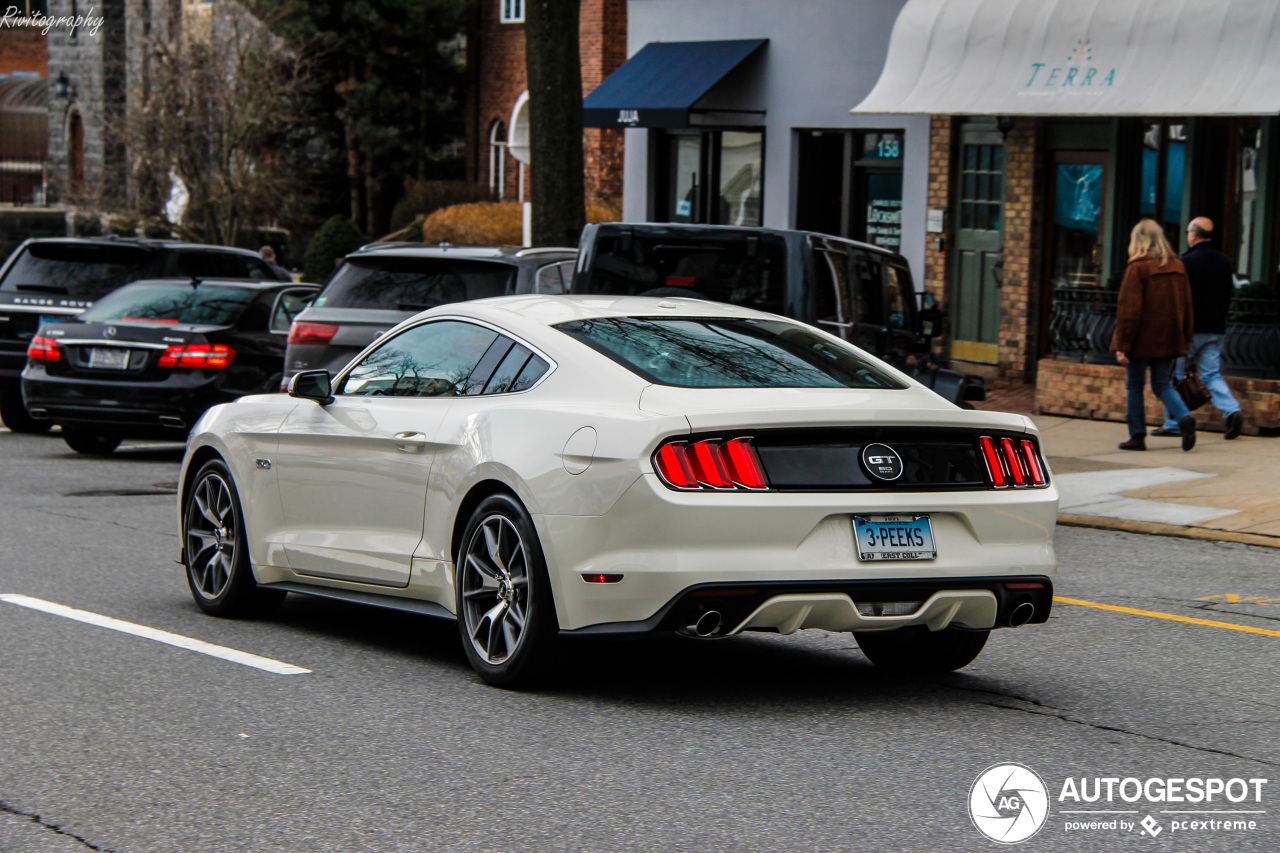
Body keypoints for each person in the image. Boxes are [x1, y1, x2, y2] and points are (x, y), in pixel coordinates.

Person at [1152, 217, 1245, 440]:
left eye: (1188, 232)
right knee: (1211, 374)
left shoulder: (1187, 261)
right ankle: (1232, 411)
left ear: (1193, 235)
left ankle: (1174, 422)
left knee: (1176, 376)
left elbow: (1179, 298)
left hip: (1190, 331)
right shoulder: (1224, 261)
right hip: (1216, 328)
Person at [1111, 220, 1196, 452]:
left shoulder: (1137, 268)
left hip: (1141, 339)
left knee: (1135, 385)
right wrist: (1185, 338)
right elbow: (1187, 306)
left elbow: (1129, 311)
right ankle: (1185, 416)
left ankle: (1137, 436)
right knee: (1162, 384)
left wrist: (1122, 344)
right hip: (1169, 337)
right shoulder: (1178, 266)